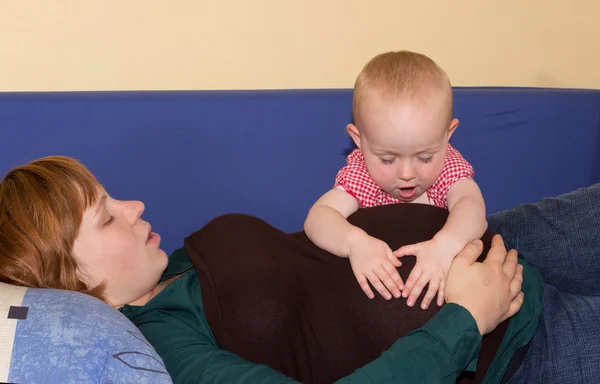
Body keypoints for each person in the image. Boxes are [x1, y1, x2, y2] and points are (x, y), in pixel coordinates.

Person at [0, 156, 598, 383]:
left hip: (481, 232)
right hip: (517, 337)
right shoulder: (168, 349)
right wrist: (467, 316)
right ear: (72, 283)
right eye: (107, 219)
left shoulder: (176, 268)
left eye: (114, 197)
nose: (135, 208)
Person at [305, 50, 486, 309]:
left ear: (448, 136)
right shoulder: (364, 175)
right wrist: (355, 243)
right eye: (388, 160)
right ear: (359, 141)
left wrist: (445, 246)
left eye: (424, 157)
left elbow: (471, 205)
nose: (407, 174)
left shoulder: (447, 166)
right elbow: (319, 216)